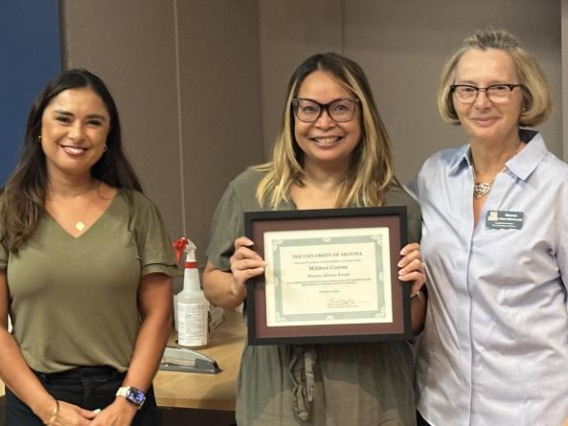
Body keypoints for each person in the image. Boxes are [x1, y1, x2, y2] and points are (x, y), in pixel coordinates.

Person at [203, 52, 426, 425]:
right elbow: (213, 283)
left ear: (363, 114)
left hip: (371, 394)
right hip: (275, 395)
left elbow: (414, 323)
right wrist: (238, 283)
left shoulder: (394, 203)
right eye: (309, 108)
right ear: (293, 116)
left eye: (340, 107)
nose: (324, 122)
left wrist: (414, 292)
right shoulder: (251, 191)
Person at [407, 29, 568, 425]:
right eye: (467, 89)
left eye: (498, 87)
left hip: (533, 413)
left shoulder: (559, 188)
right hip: (440, 407)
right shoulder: (434, 175)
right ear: (452, 97)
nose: (481, 102)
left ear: (524, 95)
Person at [0, 69, 177, 425]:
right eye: (63, 119)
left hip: (125, 399)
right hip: (35, 401)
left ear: (108, 136)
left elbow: (158, 316)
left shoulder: (138, 211)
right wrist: (47, 409)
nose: (77, 134)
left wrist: (129, 401)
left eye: (93, 122)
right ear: (39, 127)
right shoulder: (8, 211)